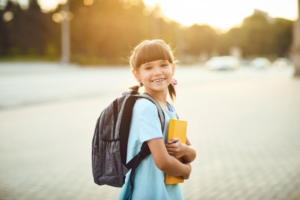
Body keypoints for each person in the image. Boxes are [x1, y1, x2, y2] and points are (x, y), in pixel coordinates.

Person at [118, 39, 196, 200]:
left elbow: (191, 152)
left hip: (167, 191)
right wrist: (187, 170)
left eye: (163, 65)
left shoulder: (168, 108)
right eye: (148, 67)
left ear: (173, 68)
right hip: (149, 192)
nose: (157, 72)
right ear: (137, 74)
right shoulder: (147, 108)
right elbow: (163, 162)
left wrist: (184, 150)